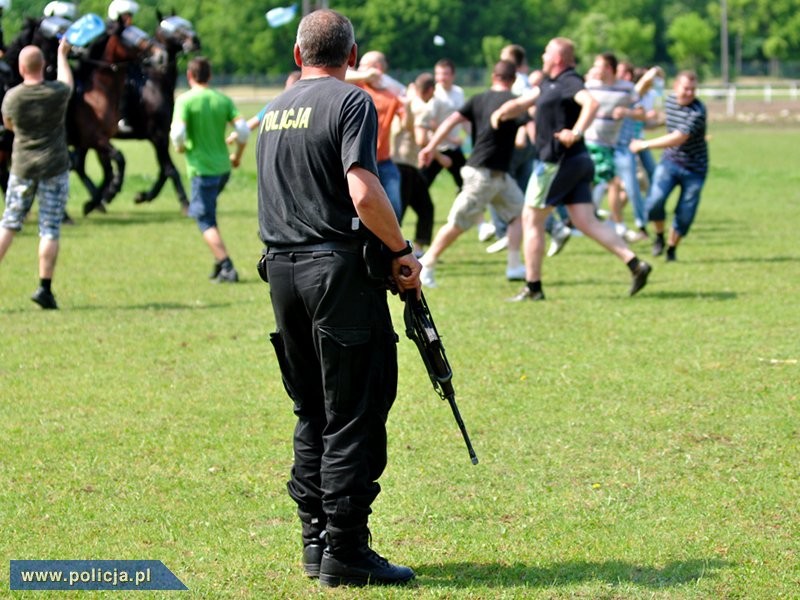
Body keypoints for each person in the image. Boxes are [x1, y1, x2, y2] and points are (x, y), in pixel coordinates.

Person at [256, 8, 421, 588]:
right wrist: (401, 251)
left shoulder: (273, 111)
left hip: (281, 271)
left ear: (298, 56)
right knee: (354, 408)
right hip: (336, 273)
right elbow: (362, 188)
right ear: (352, 56)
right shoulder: (351, 102)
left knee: (312, 408)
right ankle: (347, 550)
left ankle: (315, 541)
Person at [491, 37, 652, 301]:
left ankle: (533, 287)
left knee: (531, 219)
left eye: (546, 52)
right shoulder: (548, 83)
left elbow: (591, 104)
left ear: (557, 58)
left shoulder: (569, 80)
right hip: (577, 162)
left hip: (557, 162)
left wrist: (575, 132)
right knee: (585, 221)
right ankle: (635, 264)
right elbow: (525, 101)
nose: (542, 55)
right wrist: (502, 112)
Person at [417, 60, 527, 288]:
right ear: (513, 80)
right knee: (458, 223)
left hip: (499, 177)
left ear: (493, 77)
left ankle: (514, 265)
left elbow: (450, 122)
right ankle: (426, 263)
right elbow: (525, 136)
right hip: (482, 174)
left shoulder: (478, 99)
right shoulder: (514, 103)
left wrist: (430, 147)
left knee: (520, 214)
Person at [0, 39, 73, 309]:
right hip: (54, 166)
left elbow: (9, 125)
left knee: (9, 222)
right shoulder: (56, 92)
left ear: (21, 68)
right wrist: (62, 55)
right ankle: (45, 288)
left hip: (23, 167)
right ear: (44, 66)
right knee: (50, 227)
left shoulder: (13, 97)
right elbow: (68, 82)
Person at [170, 56, 248, 282]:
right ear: (210, 76)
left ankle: (226, 266)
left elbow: (177, 134)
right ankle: (217, 260)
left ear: (189, 76)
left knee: (204, 220)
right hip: (223, 169)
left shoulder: (185, 101)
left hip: (201, 170)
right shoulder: (222, 100)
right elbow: (242, 131)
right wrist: (237, 156)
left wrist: (180, 147)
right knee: (209, 213)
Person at [630, 70, 708, 262]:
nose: (689, 93)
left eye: (693, 89)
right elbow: (666, 121)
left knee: (685, 212)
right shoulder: (671, 101)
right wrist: (648, 121)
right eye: (686, 88)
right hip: (670, 162)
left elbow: (678, 137)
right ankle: (659, 237)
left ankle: (672, 248)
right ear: (675, 87)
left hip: (695, 168)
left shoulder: (698, 111)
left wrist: (644, 144)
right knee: (655, 201)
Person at [350, 50, 404, 220]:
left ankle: (387, 245)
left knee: (394, 207)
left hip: (384, 161)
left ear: (377, 68)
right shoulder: (357, 86)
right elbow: (335, 78)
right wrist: (365, 74)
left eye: (363, 65)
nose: (359, 69)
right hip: (360, 160)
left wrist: (407, 107)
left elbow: (405, 125)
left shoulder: (392, 94)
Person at [420, 58, 467, 190]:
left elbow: (463, 118)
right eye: (438, 74)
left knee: (466, 185)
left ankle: (466, 210)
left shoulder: (459, 92)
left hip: (454, 148)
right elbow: (430, 123)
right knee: (421, 187)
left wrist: (472, 134)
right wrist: (451, 138)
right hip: (436, 148)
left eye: (445, 74)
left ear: (453, 75)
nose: (441, 77)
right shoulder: (435, 95)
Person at [107, 0, 140, 133]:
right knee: (125, 86)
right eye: (127, 15)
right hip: (110, 70)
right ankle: (122, 118)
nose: (130, 19)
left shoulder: (127, 31)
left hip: (125, 68)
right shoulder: (111, 30)